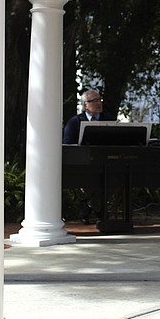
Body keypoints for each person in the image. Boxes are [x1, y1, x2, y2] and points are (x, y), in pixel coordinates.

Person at [63, 89, 114, 223]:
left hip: (105, 162)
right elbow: (67, 144)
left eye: (99, 100)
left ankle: (89, 206)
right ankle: (98, 210)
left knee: (113, 179)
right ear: (85, 105)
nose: (99, 103)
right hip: (82, 164)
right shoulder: (75, 121)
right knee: (91, 183)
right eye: (94, 101)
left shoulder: (108, 120)